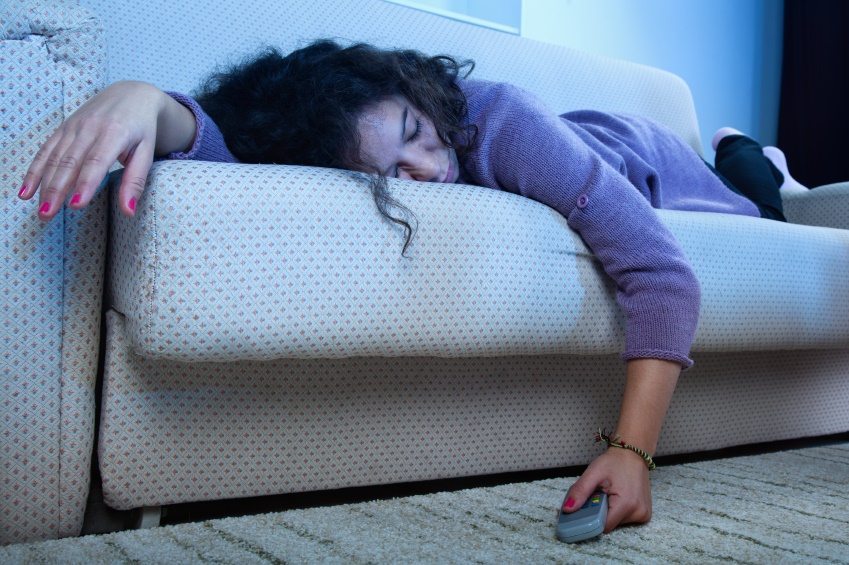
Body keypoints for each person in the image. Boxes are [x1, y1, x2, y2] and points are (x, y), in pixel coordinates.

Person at [17, 39, 806, 534]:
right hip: (585, 142)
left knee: (761, 190)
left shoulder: (499, 121)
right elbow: (235, 148)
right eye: (392, 174)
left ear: (418, 95)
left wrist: (631, 452)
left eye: (417, 137)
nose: (430, 171)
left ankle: (747, 149)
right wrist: (147, 101)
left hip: (653, 163)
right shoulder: (341, 152)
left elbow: (661, 274)